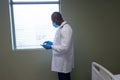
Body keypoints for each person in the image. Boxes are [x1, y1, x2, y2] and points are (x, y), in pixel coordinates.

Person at [42, 12, 74, 80]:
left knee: (64, 78)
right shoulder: (61, 28)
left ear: (56, 19)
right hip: (61, 63)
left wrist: (51, 47)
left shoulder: (66, 29)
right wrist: (52, 43)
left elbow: (65, 48)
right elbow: (61, 43)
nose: (53, 23)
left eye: (53, 21)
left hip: (64, 62)